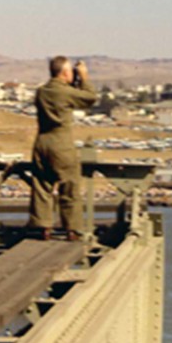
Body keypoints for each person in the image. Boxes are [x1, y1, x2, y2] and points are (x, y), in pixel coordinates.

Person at [29, 56, 98, 241]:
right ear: (65, 72)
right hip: (61, 143)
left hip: (41, 142)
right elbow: (90, 98)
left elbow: (64, 95)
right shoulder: (65, 92)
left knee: (42, 186)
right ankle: (72, 229)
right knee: (69, 186)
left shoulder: (42, 91)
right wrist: (84, 77)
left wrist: (74, 83)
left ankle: (43, 226)